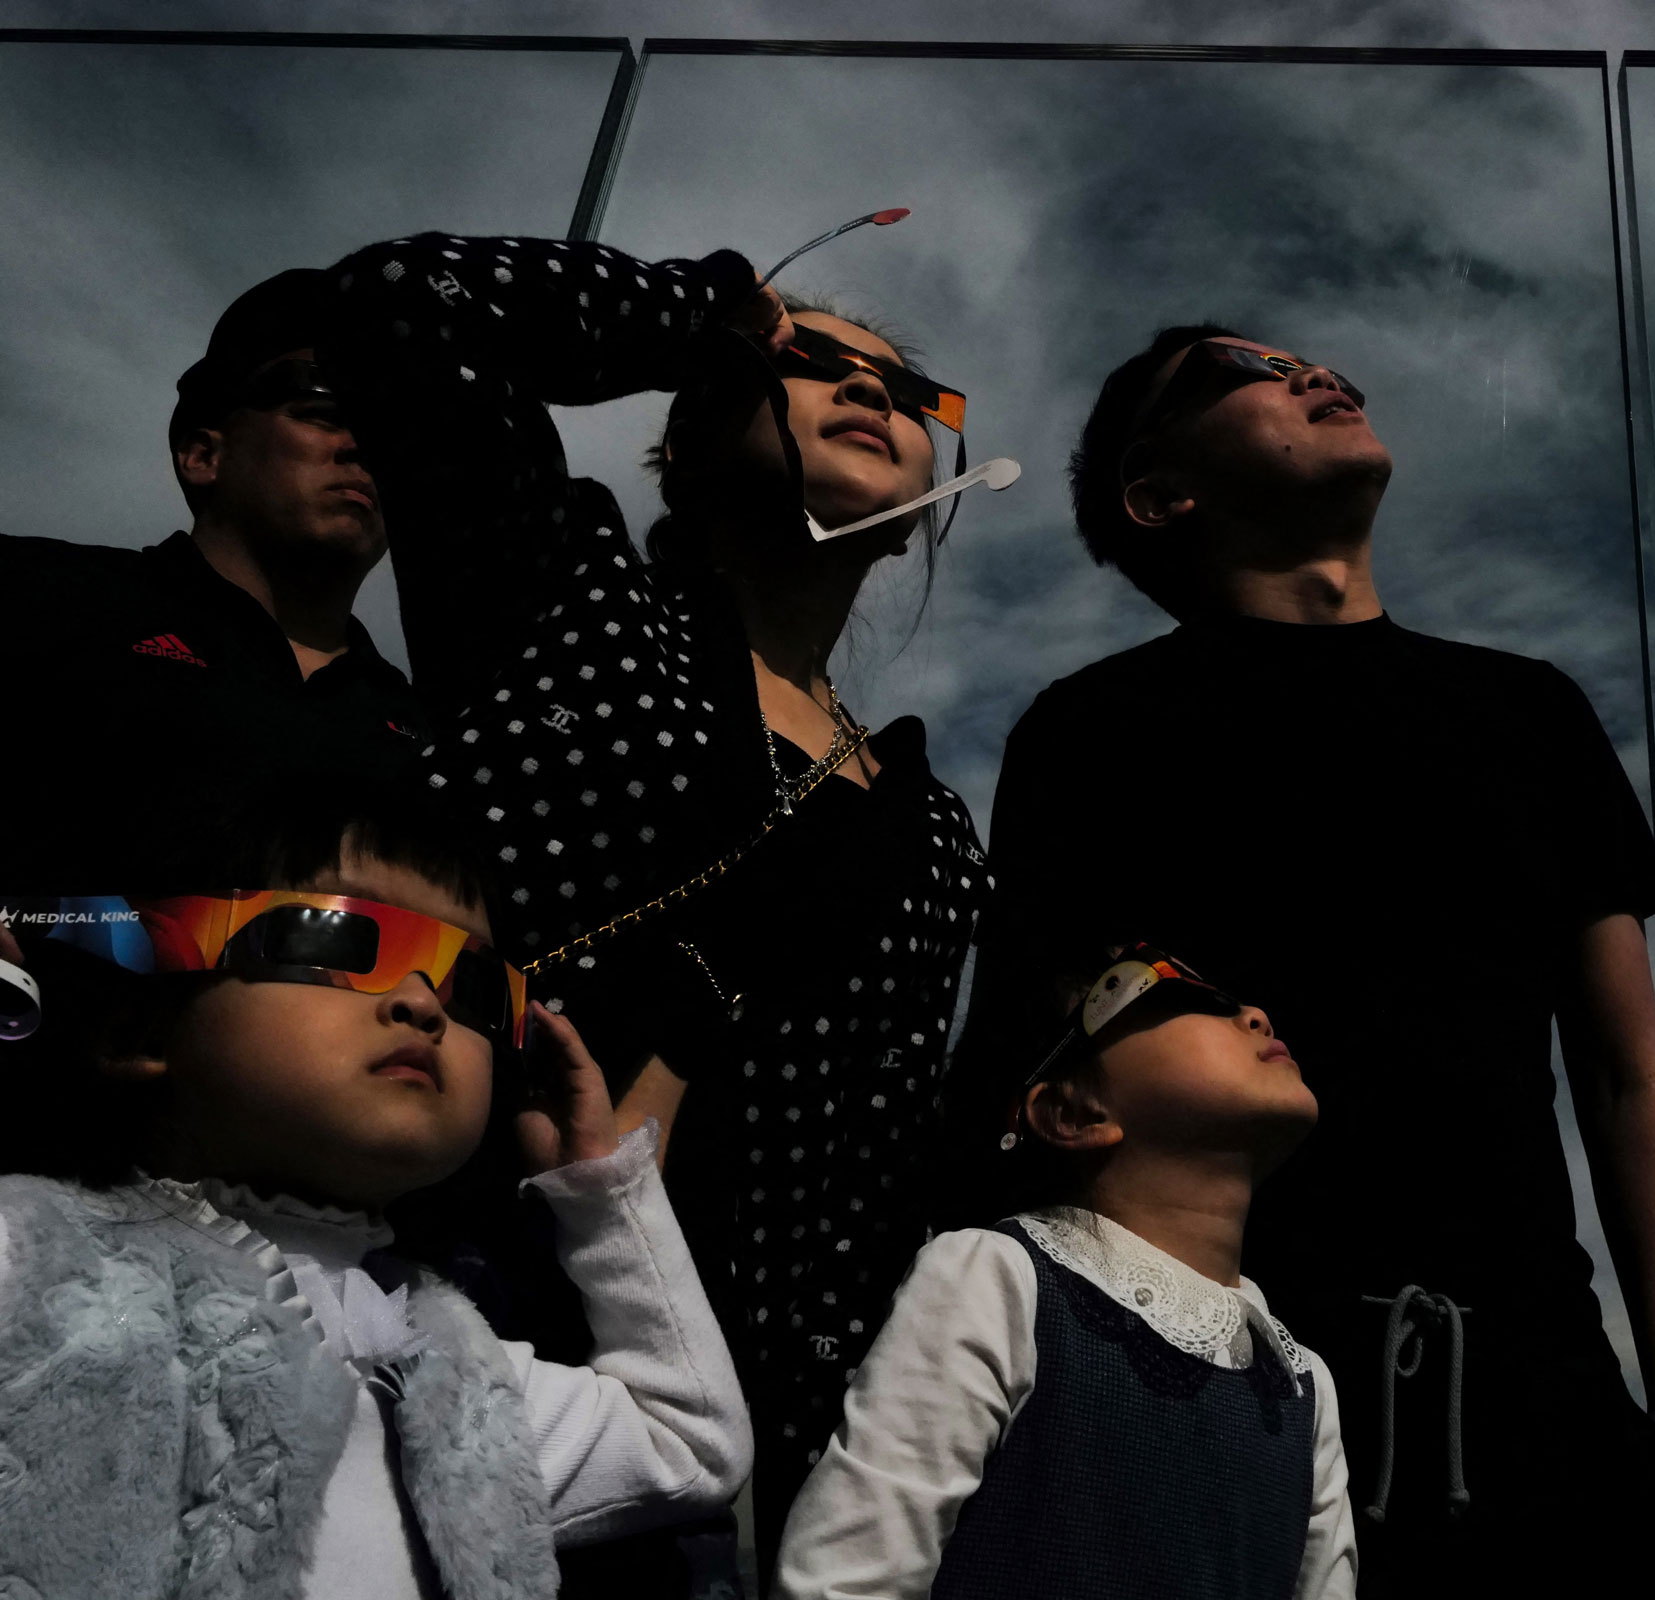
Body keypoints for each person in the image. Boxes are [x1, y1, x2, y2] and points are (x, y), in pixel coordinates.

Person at [957, 328, 1655, 1595]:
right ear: (1161, 493)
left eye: (1306, 358)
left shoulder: (1529, 712)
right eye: (1235, 369)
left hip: (1546, 1420)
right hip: (1205, 1402)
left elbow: (1632, 1074)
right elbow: (1020, 1080)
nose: (1315, 372)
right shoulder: (1091, 732)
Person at [312, 231, 993, 1558]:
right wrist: (702, 307)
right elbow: (402, 301)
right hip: (435, 1328)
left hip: (723, 1438)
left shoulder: (931, 828)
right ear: (681, 440)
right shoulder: (565, 599)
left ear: (919, 517)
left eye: (909, 394)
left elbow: (874, 1185)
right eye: (801, 362)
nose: (869, 393)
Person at [0, 792, 751, 1600]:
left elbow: (689, 1443)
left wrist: (600, 1190)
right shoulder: (29, 1263)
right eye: (341, 936)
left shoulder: (459, 1374)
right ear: (139, 1030)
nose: (424, 1003)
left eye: (472, 987)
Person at [777, 942, 1356, 1600]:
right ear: (1073, 1112)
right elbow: (846, 1583)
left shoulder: (1303, 1385)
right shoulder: (997, 1278)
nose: (1255, 1015)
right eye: (1174, 996)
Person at [0, 269, 421, 893]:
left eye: (392, 433)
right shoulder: (33, 595)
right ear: (203, 455)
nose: (366, 448)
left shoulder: (432, 738)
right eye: (323, 412)